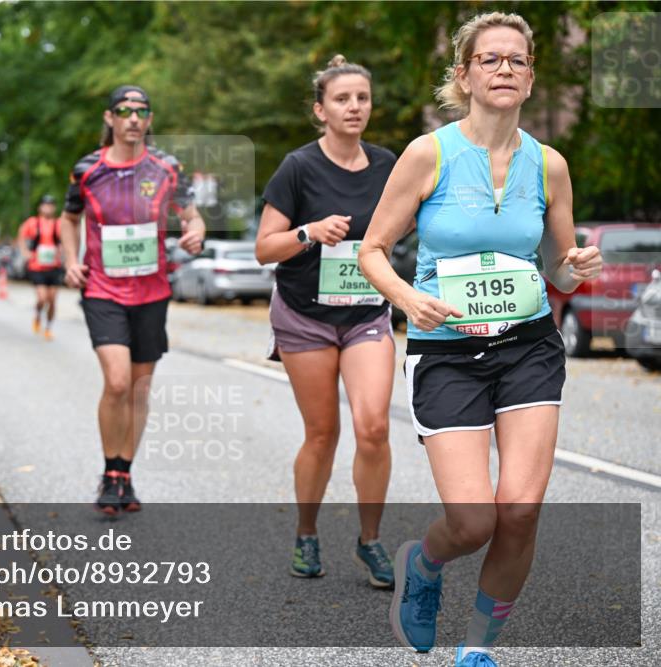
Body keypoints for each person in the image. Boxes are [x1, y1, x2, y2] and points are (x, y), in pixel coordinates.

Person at [358, 12, 603, 666]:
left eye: (516, 61)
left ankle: (476, 647)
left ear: (529, 80)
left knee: (519, 510)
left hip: (528, 346)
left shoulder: (549, 166)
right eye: (490, 59)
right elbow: (372, 251)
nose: (504, 69)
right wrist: (409, 298)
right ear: (463, 75)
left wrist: (570, 269)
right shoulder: (428, 154)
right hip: (447, 353)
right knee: (474, 521)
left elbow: (556, 267)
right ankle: (426, 562)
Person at [256, 55, 398, 585]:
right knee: (322, 433)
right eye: (342, 98)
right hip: (305, 317)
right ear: (321, 109)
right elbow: (264, 249)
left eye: (362, 97)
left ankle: (370, 540)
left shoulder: (388, 165)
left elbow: (413, 222)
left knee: (374, 428)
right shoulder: (298, 167)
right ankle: (307, 533)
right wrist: (309, 232)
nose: (354, 106)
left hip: (365, 313)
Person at [61, 85, 205, 515]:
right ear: (110, 118)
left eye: (141, 111)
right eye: (124, 110)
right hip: (102, 289)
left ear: (149, 120)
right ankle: (109, 472)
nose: (133, 118)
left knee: (139, 390)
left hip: (152, 291)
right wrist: (70, 260)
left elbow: (191, 215)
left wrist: (196, 231)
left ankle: (124, 473)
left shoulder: (167, 167)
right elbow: (70, 220)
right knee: (118, 381)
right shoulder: (87, 169)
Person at [18, 194, 64, 340]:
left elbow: (65, 240)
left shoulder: (59, 223)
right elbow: (21, 237)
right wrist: (25, 252)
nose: (48, 208)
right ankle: (38, 315)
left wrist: (63, 253)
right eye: (45, 205)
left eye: (51, 205)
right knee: (42, 298)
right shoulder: (32, 222)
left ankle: (48, 327)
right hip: (37, 266)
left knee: (52, 299)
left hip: (54, 266)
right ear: (40, 207)